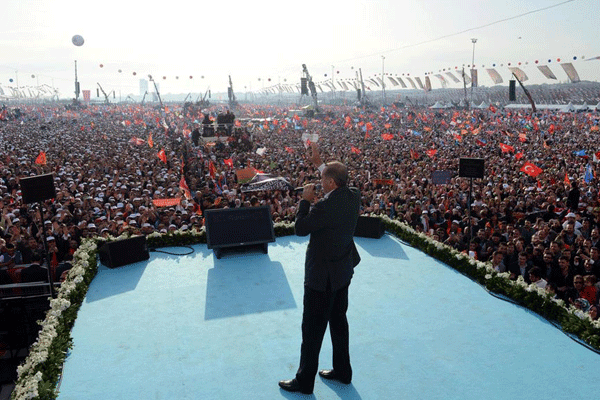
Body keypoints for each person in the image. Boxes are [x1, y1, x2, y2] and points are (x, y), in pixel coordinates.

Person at [279, 143, 361, 395]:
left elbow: (301, 228)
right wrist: (320, 164)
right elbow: (337, 180)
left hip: (321, 279)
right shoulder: (353, 194)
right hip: (342, 274)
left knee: (312, 330)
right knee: (339, 323)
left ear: (331, 184)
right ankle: (343, 371)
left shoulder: (324, 206)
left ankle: (304, 382)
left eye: (322, 180)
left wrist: (305, 201)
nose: (319, 183)